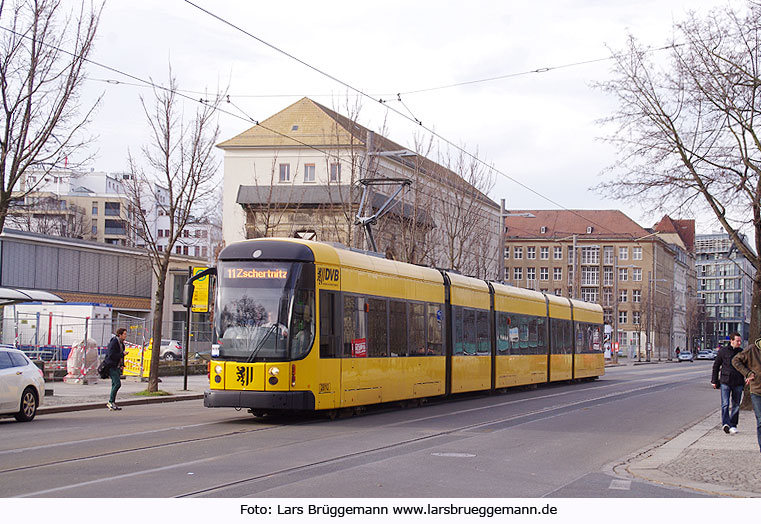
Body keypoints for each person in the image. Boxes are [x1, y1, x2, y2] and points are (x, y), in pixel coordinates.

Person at [711, 332, 745, 434]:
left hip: (738, 382)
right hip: (725, 381)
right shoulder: (723, 352)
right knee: (725, 404)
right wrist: (714, 381)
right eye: (737, 341)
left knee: (736, 405)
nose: (739, 343)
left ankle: (733, 425)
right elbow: (716, 366)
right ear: (731, 341)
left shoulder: (742, 352)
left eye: (740, 341)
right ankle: (725, 424)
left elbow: (746, 367)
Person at [732, 337, 761, 453]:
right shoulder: (752, 350)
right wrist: (748, 373)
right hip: (757, 391)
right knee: (760, 421)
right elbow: (735, 360)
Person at [103, 328, 127, 411]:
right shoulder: (114, 342)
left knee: (115, 384)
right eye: (124, 334)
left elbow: (121, 356)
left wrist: (122, 364)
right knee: (117, 384)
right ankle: (110, 401)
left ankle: (112, 402)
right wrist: (122, 354)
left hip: (117, 366)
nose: (125, 336)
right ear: (119, 335)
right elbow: (111, 355)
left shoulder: (121, 344)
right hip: (111, 366)